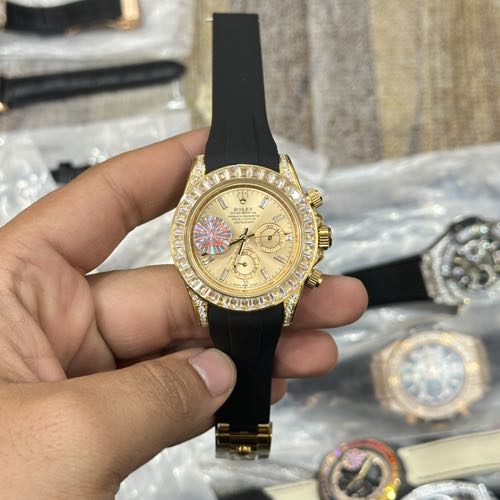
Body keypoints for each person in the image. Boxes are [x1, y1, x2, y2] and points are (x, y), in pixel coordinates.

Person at [0, 129, 367, 498]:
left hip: (257, 285)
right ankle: (242, 439)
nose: (243, 238)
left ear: (314, 237)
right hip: (229, 284)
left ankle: (243, 439)